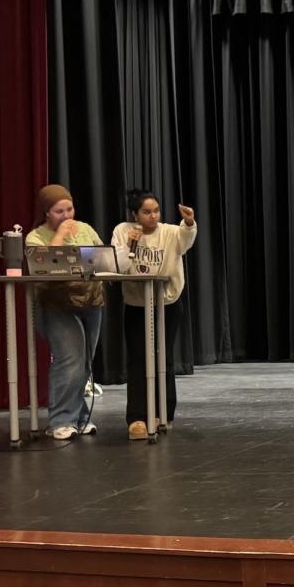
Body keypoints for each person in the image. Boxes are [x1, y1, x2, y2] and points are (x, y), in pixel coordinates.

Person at [111, 189, 197, 441]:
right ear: (135, 214)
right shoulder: (123, 230)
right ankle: (137, 418)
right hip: (137, 304)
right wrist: (129, 244)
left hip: (167, 303)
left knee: (163, 357)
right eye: (146, 212)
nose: (153, 216)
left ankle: (164, 413)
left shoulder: (169, 231)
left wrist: (189, 222)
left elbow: (185, 241)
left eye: (156, 211)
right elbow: (118, 266)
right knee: (138, 359)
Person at [25, 185, 105, 440]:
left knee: (84, 362)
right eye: (59, 211)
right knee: (69, 358)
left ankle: (79, 418)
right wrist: (59, 234)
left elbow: (103, 257)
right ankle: (60, 421)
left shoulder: (85, 229)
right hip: (55, 305)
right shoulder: (35, 236)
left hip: (90, 300)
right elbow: (45, 266)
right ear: (47, 213)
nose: (66, 215)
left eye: (69, 209)